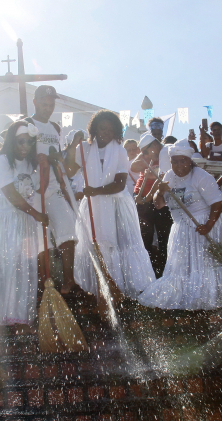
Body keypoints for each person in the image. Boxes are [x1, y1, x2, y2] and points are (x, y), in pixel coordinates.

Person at [138, 139, 222, 310]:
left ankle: (208, 296)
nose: (179, 165)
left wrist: (208, 225)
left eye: (183, 161)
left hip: (203, 224)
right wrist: (160, 192)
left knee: (204, 265)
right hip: (181, 226)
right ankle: (186, 295)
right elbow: (158, 204)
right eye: (175, 161)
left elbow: (217, 203)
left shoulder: (201, 176)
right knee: (182, 267)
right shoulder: (168, 176)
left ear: (190, 160)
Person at [65, 110, 155, 299]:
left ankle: (120, 288)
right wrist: (73, 147)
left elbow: (120, 184)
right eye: (102, 128)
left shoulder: (120, 151)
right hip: (92, 204)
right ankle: (99, 289)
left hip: (115, 205)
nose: (105, 132)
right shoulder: (85, 148)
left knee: (117, 245)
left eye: (110, 129)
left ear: (116, 132)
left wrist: (96, 190)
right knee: (94, 245)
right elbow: (70, 171)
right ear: (94, 129)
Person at [0, 121, 47, 333]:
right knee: (6, 267)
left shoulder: (30, 164)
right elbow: (11, 196)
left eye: (29, 142)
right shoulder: (1, 160)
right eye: (21, 141)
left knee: (23, 268)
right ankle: (0, 318)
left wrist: (44, 167)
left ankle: (20, 317)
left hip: (24, 221)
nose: (25, 146)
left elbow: (40, 189)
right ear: (12, 141)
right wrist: (37, 214)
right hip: (5, 221)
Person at [25, 85, 79, 295]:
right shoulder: (26, 124)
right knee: (40, 238)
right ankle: (45, 286)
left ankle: (69, 281)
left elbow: (59, 157)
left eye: (51, 105)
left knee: (67, 230)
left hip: (54, 186)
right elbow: (18, 154)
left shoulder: (55, 127)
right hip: (33, 189)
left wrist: (63, 157)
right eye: (44, 104)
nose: (48, 109)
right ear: (35, 102)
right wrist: (41, 159)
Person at [131, 133, 173, 277]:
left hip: (160, 200)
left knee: (164, 237)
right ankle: (146, 272)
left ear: (154, 145)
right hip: (146, 199)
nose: (145, 155)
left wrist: (145, 199)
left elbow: (161, 181)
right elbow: (133, 166)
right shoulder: (151, 154)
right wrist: (148, 157)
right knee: (145, 236)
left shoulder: (166, 152)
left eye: (146, 151)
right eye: (143, 152)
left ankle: (165, 272)